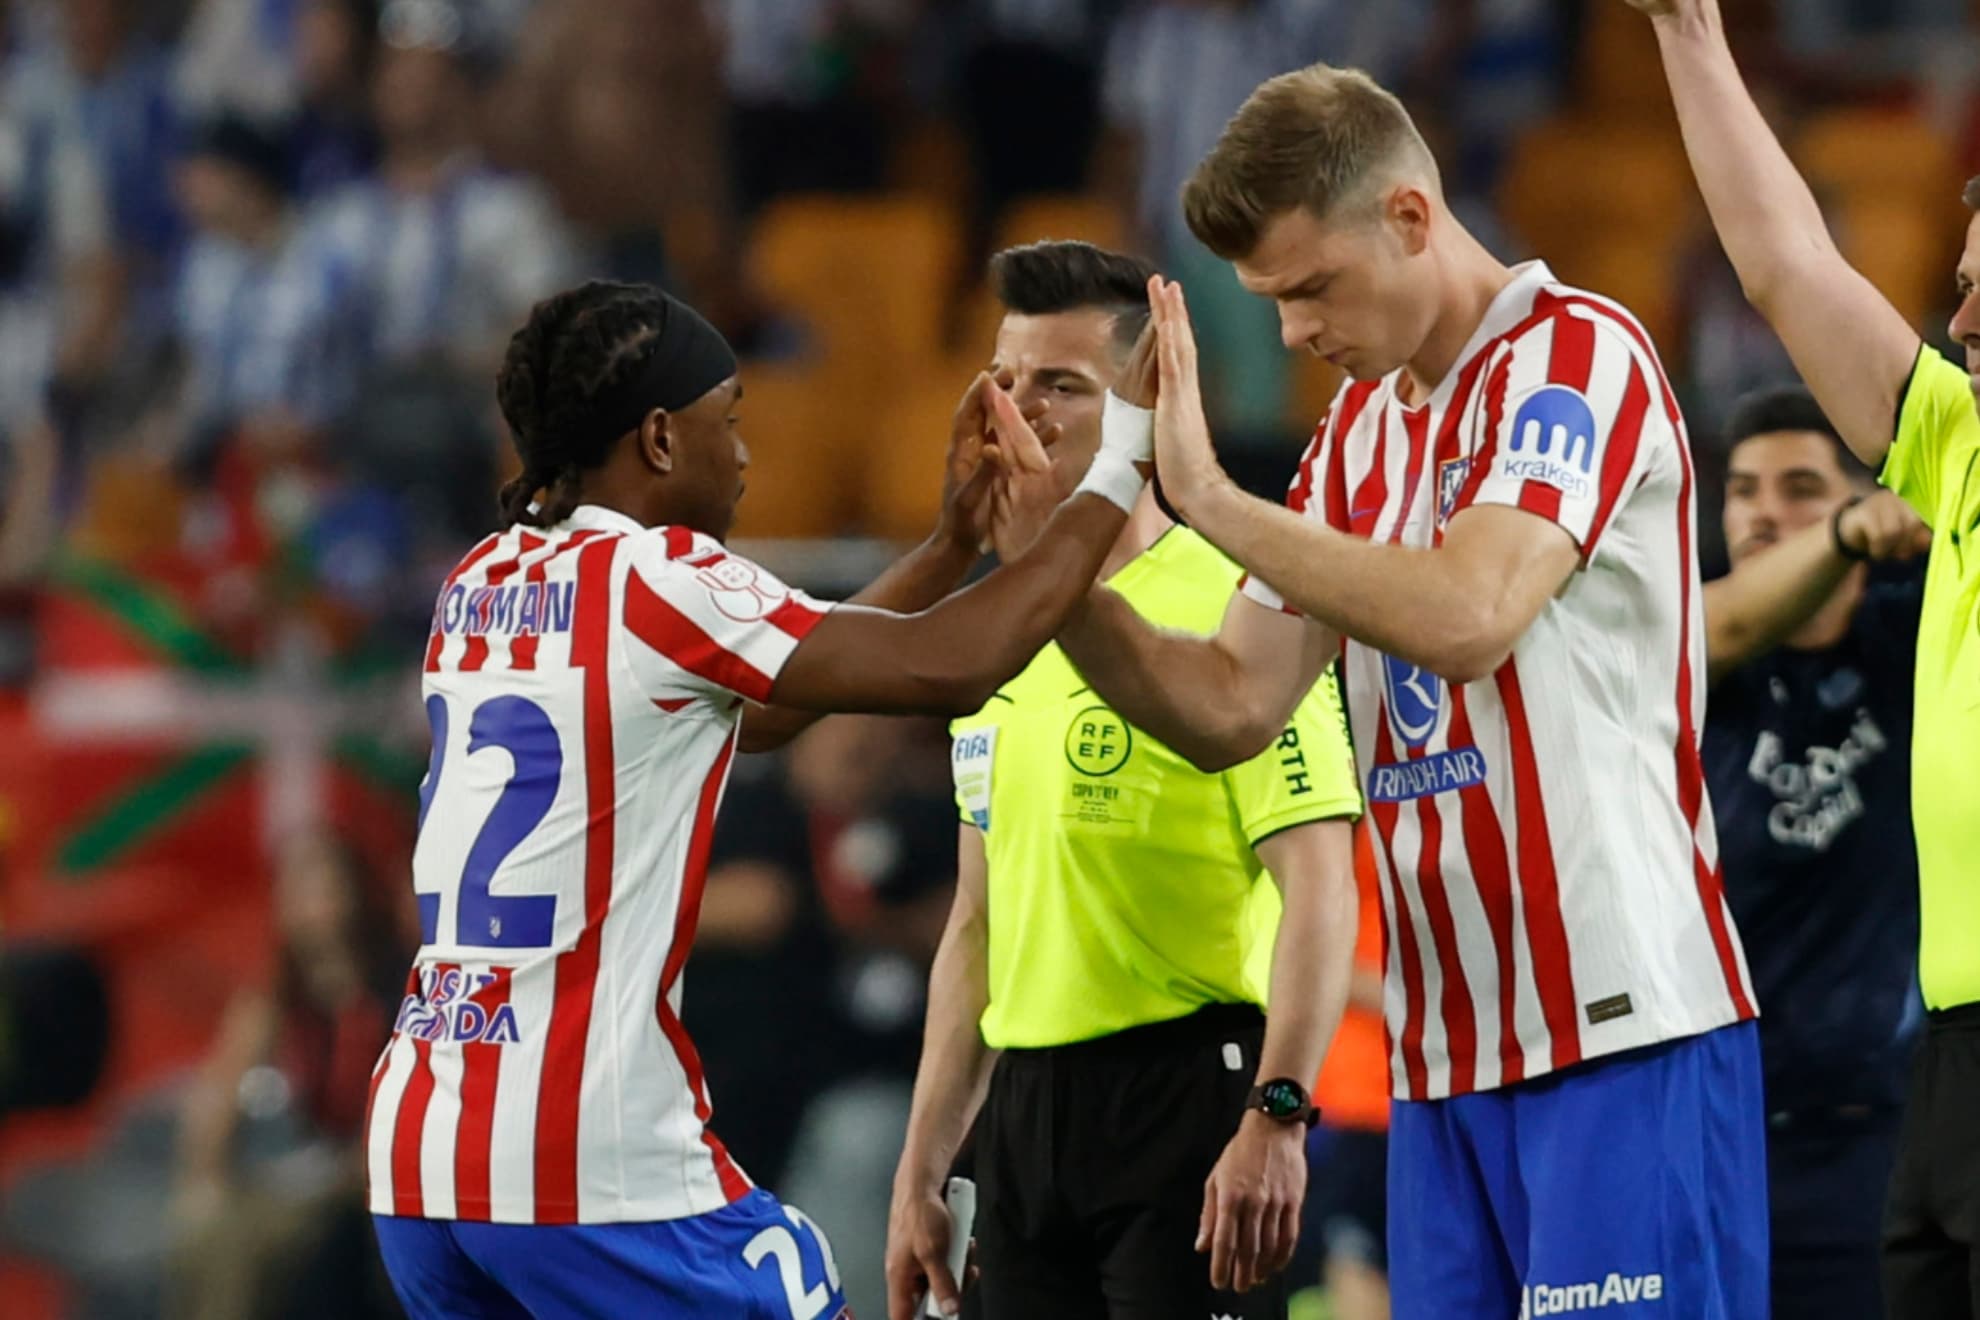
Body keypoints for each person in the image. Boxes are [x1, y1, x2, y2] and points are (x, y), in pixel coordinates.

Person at [1053, 64, 1769, 1317]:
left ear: (1409, 217)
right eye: (1269, 302)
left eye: (1311, 288)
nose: (1290, 334)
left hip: (1619, 1029)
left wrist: (1212, 502)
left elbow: (1469, 616)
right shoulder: (1360, 434)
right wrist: (1049, 583)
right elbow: (1229, 701)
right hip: (1441, 1062)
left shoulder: (1576, 358)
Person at [362, 278, 1148, 1318]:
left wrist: (948, 547)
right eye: (726, 424)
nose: (743, 455)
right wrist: (1122, 460)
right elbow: (955, 667)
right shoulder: (660, 577)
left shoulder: (481, 579)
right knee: (803, 1283)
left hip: (422, 1148)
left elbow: (758, 713)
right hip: (582, 1153)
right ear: (656, 439)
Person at [882, 241, 1363, 1320]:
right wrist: (921, 1169)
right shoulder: (993, 633)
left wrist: (1277, 1115)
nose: (1024, 411)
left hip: (1189, 1098)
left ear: (1149, 407)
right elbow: (977, 923)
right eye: (1006, 381)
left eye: (1063, 385)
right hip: (1026, 1114)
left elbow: (1321, 889)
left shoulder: (1238, 606)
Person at [1629, 0, 1980, 1311]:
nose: (1963, 316)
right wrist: (1688, 32)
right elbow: (1787, 265)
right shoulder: (1954, 446)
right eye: (1958, 282)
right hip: (1937, 1069)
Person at [1702, 385, 1930, 1319]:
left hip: (1882, 1135)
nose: (1764, 511)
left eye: (1800, 487)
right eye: (1744, 489)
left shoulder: (1920, 635)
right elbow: (1725, 625)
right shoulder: (1683, 656)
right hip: (1715, 1130)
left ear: (1865, 500)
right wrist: (1833, 537)